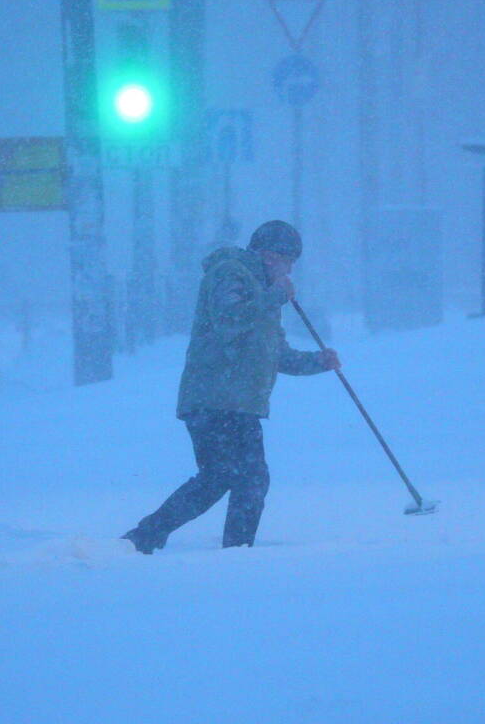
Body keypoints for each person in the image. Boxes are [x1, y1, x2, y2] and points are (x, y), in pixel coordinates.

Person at [122, 220, 341, 553]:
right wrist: (275, 296)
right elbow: (229, 320)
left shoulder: (262, 290)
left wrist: (317, 362)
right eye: (288, 261)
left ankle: (157, 538)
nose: (289, 270)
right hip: (215, 398)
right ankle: (214, 548)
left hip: (237, 403)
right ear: (269, 256)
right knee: (235, 477)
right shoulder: (230, 272)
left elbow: (275, 353)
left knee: (231, 478)